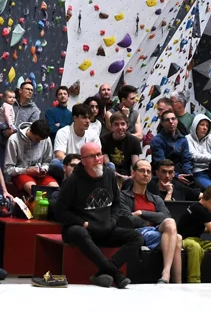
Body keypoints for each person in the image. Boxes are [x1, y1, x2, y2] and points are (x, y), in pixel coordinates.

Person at [54, 142, 143, 288]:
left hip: (105, 227)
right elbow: (60, 211)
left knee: (137, 237)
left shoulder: (109, 174)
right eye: (92, 156)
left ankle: (103, 272)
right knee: (77, 231)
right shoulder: (73, 181)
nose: (98, 159)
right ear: (83, 161)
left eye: (99, 154)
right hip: (81, 229)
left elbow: (116, 203)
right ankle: (116, 274)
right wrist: (84, 223)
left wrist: (112, 222)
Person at [119, 158, 182, 284]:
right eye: (142, 170)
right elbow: (127, 220)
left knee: (170, 222)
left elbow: (166, 216)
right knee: (178, 238)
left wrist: (142, 213)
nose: (146, 174)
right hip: (136, 233)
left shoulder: (155, 198)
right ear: (133, 173)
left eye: (148, 171)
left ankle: (166, 274)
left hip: (155, 230)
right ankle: (176, 282)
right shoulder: (123, 196)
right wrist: (150, 221)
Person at [4, 119, 57, 197]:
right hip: (21, 173)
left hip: (39, 174)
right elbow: (8, 169)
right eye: (37, 139)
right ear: (31, 131)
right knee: (35, 191)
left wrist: (44, 169)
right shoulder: (14, 140)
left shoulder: (46, 139)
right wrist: (26, 171)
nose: (39, 142)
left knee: (55, 191)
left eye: (41, 140)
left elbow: (47, 161)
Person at [150, 110, 194, 185]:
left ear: (177, 121)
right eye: (167, 120)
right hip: (165, 173)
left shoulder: (183, 139)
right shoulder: (157, 140)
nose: (171, 122)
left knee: (195, 188)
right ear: (162, 123)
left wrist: (188, 175)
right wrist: (176, 175)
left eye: (173, 119)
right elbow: (160, 163)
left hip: (180, 171)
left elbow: (186, 159)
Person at [101, 112, 142, 178]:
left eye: (123, 124)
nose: (120, 127)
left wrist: (130, 177)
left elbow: (135, 166)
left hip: (128, 175)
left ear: (127, 126)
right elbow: (108, 165)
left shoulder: (134, 141)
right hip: (109, 174)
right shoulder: (104, 140)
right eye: (116, 124)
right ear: (111, 126)